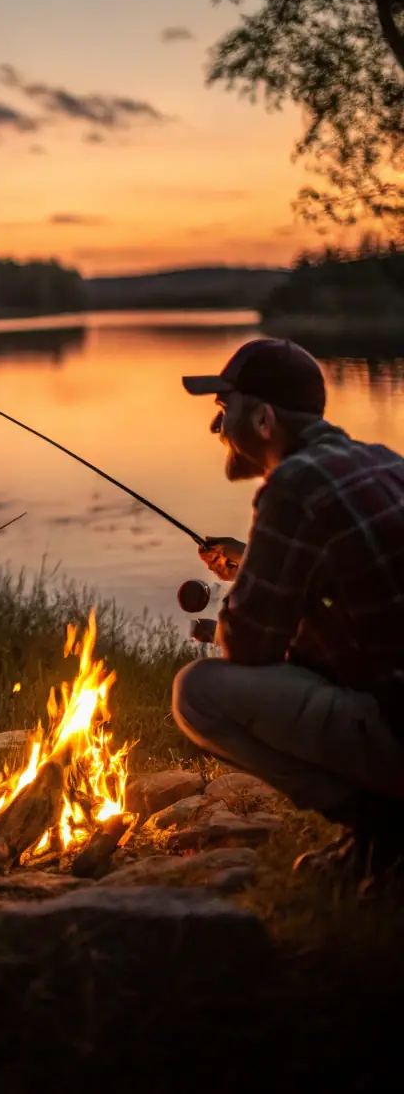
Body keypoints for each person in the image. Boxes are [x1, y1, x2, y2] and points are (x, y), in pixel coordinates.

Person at [173, 337, 404, 880]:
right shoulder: (381, 461)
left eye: (224, 412)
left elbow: (249, 647)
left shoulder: (293, 485)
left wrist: (250, 584)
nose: (216, 429)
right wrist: (255, 562)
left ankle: (386, 831)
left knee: (199, 693)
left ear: (264, 420)